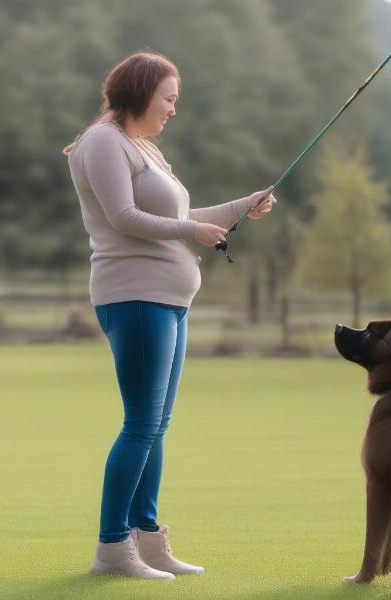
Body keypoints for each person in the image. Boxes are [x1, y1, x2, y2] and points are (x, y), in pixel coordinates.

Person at [64, 51, 276, 579]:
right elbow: (125, 217)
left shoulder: (146, 150)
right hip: (134, 296)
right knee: (140, 424)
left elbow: (183, 216)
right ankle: (112, 549)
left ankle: (149, 541)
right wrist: (190, 233)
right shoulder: (102, 142)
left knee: (157, 425)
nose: (173, 109)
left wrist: (240, 205)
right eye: (169, 98)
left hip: (171, 300)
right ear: (141, 92)